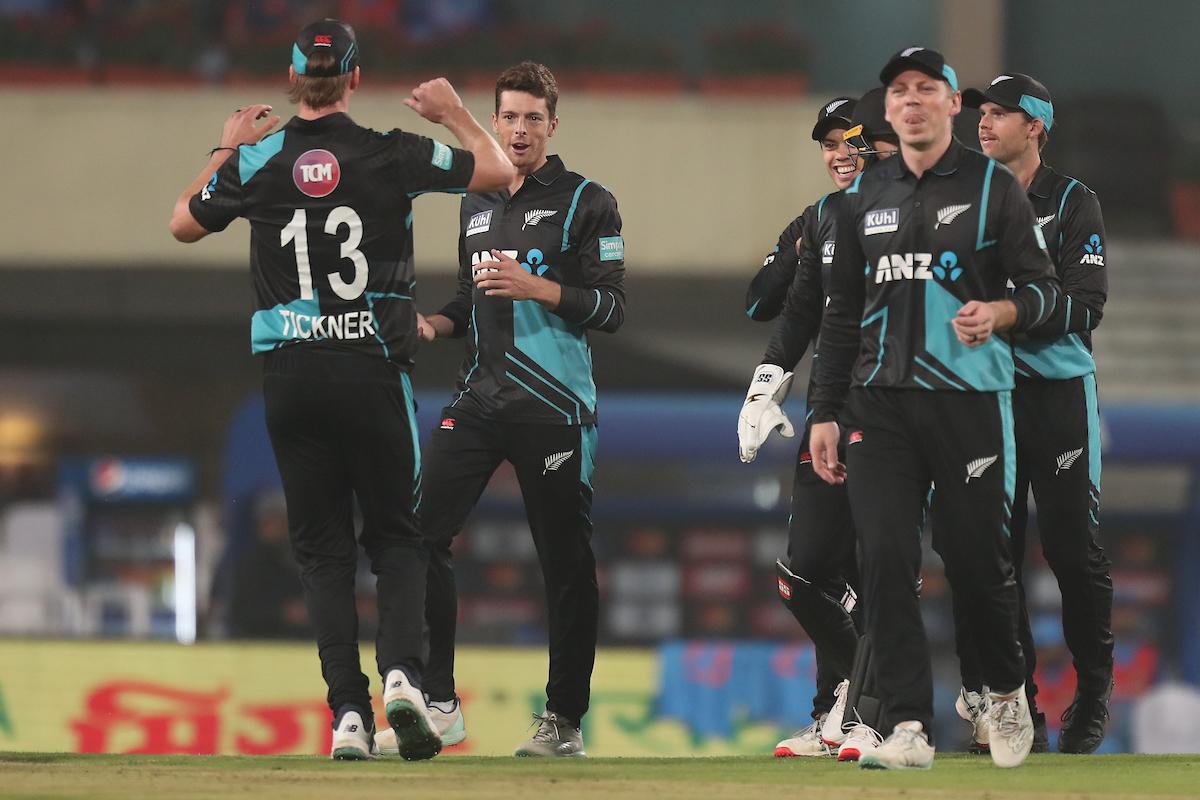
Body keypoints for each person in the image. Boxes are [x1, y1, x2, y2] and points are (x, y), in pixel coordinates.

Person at [168, 18, 514, 761]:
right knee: (397, 539)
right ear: (354, 79)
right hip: (374, 372)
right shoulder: (390, 151)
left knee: (322, 554)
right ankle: (400, 679)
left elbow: (182, 225)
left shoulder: (258, 158)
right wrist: (454, 112)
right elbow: (496, 175)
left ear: (295, 82)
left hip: (291, 376)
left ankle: (348, 717)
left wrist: (227, 143)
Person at [808, 47, 1061, 770]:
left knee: (979, 564)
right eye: (899, 91)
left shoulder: (993, 189)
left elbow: (1046, 292)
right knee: (884, 558)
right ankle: (909, 726)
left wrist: (1005, 310)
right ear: (887, 112)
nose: (911, 100)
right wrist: (825, 410)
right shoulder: (867, 196)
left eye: (927, 88)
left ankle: (1005, 687)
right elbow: (842, 314)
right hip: (879, 408)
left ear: (953, 105)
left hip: (969, 401)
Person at [379, 61, 625, 759]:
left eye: (531, 118)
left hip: (554, 407)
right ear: (496, 120)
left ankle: (564, 724)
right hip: (480, 400)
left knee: (565, 564)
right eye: (508, 117)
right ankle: (441, 702)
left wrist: (538, 287)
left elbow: (611, 307)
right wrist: (435, 324)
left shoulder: (589, 201)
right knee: (419, 534)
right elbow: (470, 295)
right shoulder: (475, 199)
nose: (519, 130)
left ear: (554, 123)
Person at [948, 73, 1112, 755]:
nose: (984, 123)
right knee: (994, 562)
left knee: (1073, 554)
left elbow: (1086, 306)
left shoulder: (1073, 202)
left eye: (1000, 113)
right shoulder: (963, 200)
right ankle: (1019, 708)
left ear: (1036, 125)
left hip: (1059, 398)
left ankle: (1095, 694)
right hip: (988, 401)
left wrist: (1009, 315)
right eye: (981, 112)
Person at [737, 90, 901, 761]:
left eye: (851, 141)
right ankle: (845, 705)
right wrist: (764, 387)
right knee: (805, 575)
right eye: (830, 145)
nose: (839, 155)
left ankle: (873, 715)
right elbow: (776, 306)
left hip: (899, 410)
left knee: (881, 570)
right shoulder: (823, 218)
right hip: (831, 411)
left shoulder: (911, 208)